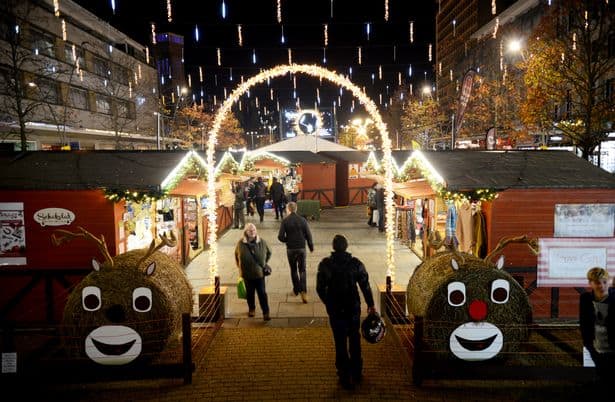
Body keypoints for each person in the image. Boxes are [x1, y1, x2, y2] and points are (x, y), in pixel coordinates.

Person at [316, 234, 376, 390]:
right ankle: (356, 370)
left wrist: (328, 302)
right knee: (354, 338)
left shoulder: (326, 264)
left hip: (336, 309)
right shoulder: (355, 264)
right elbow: (365, 284)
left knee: (340, 341)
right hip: (352, 308)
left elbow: (319, 288)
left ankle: (343, 373)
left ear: (333, 247)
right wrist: (370, 304)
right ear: (347, 246)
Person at [579, 266, 615, 383]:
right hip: (597, 347)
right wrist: (589, 345)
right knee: (602, 376)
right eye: (598, 283)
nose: (602, 286)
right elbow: (584, 324)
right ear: (590, 283)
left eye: (605, 282)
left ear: (609, 281)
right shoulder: (585, 299)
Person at [278, 201, 314, 303]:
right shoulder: (303, 220)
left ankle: (296, 290)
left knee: (293, 270)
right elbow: (308, 234)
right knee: (302, 270)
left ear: (288, 209)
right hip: (301, 248)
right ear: (296, 209)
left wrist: (287, 240)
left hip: (291, 249)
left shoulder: (285, 221)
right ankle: (304, 291)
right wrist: (311, 246)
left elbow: (280, 236)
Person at [234, 223, 272, 321]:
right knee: (250, 293)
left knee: (262, 293)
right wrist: (241, 267)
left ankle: (266, 312)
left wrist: (264, 263)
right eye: (250, 230)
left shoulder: (262, 242)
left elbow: (269, 252)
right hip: (247, 275)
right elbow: (236, 256)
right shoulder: (240, 243)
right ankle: (252, 309)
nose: (252, 232)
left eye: (254, 230)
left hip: (259, 274)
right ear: (245, 232)